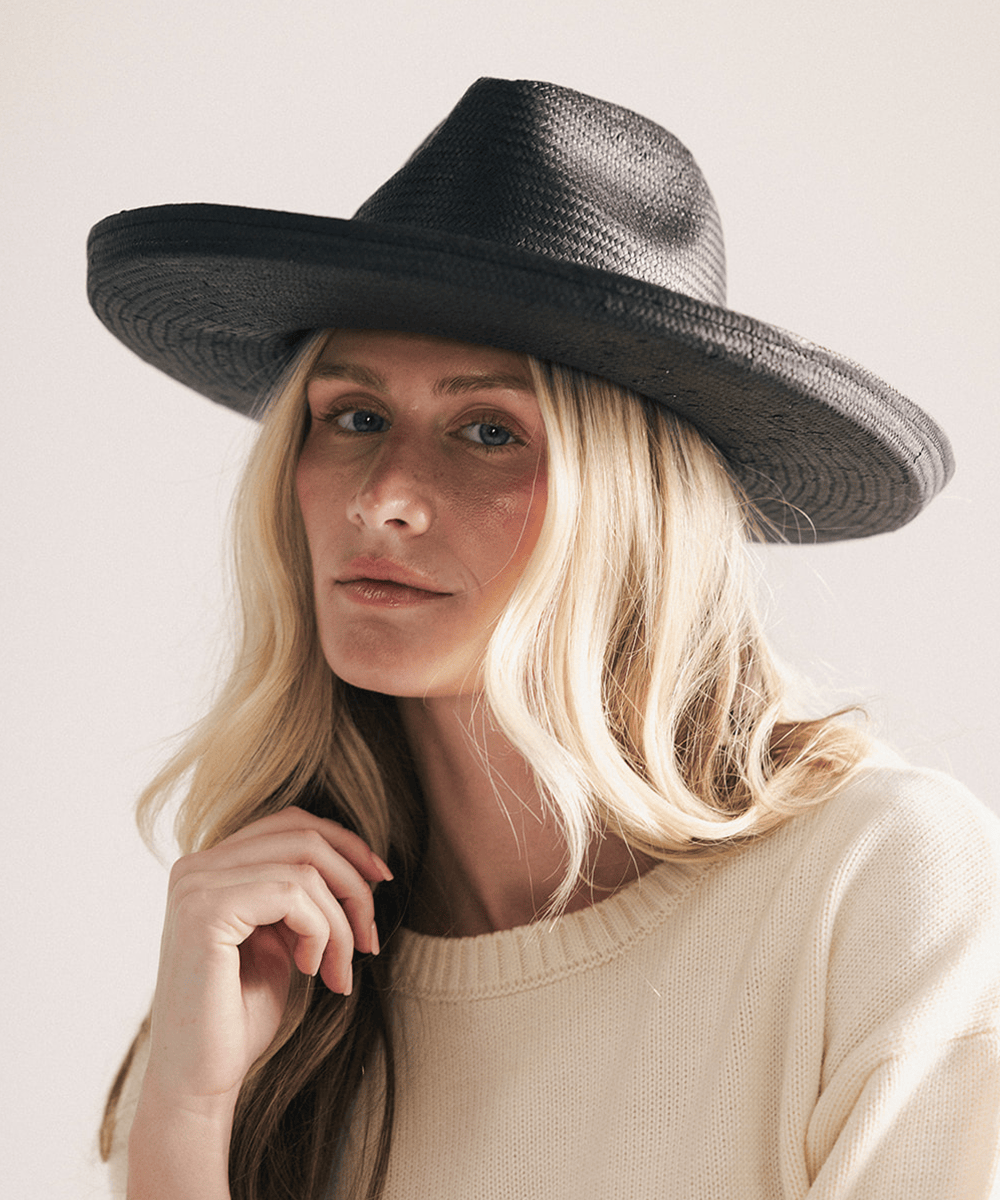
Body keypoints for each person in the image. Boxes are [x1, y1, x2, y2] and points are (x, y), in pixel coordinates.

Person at [87, 78, 1000, 1200]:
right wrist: (187, 1109)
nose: (384, 499)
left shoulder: (875, 883)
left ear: (637, 508)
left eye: (486, 431)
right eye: (354, 418)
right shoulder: (270, 962)